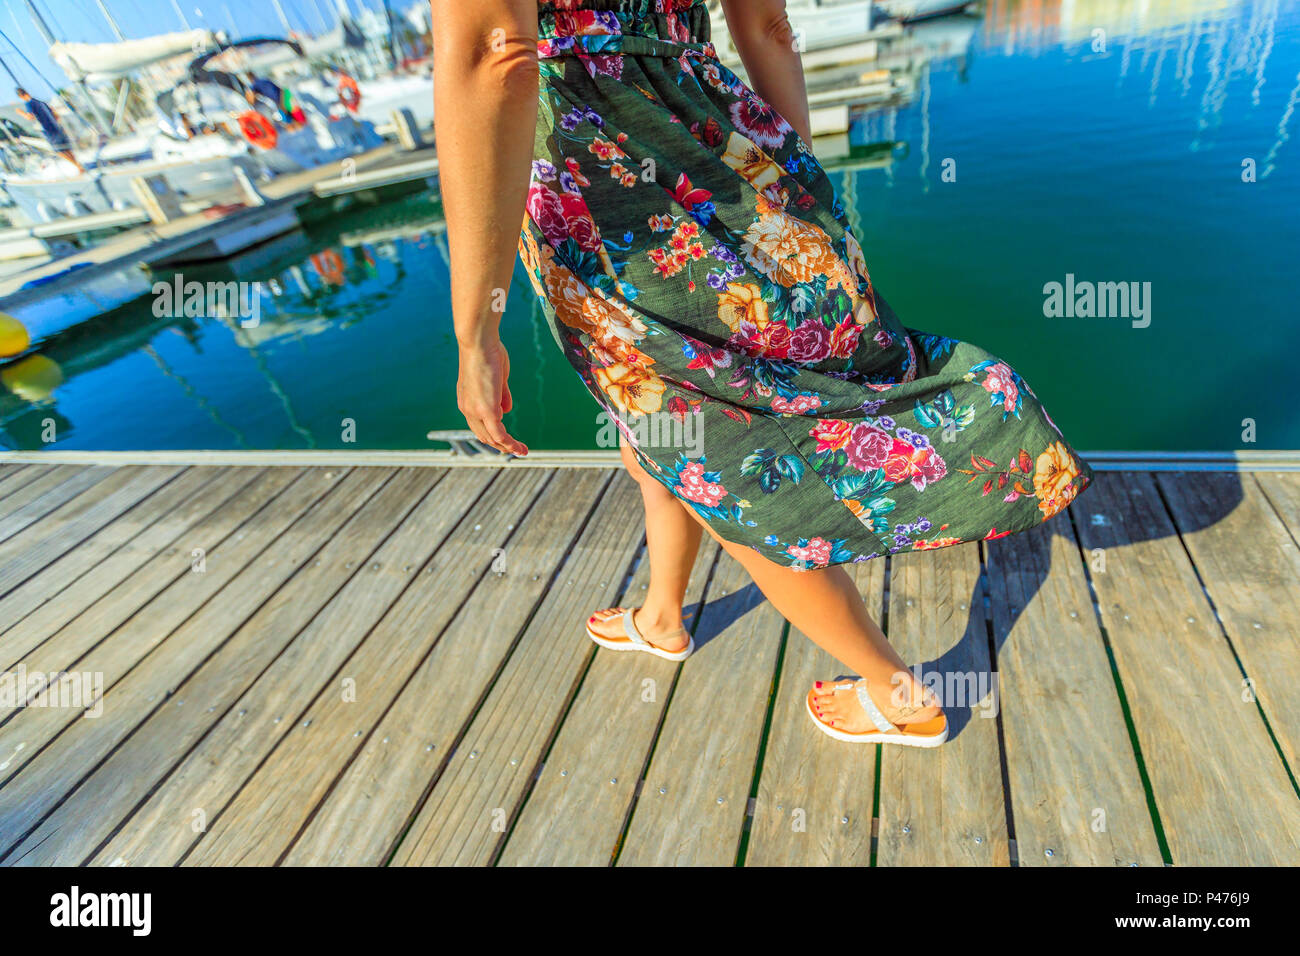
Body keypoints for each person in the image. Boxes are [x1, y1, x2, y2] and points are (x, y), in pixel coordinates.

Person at [433, 0, 1094, 747]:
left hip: (611, 196)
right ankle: (662, 615)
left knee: (724, 455)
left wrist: (476, 330)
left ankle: (899, 693)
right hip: (738, 150)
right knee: (665, 420)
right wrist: (795, 190)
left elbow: (496, 56)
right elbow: (769, 29)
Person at [14, 87, 84, 174]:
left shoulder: (29, 103)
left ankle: (78, 166)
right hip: (57, 127)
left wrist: (20, 112)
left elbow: (30, 117)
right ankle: (79, 166)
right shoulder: (41, 102)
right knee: (66, 149)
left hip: (48, 130)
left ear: (21, 96)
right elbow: (55, 115)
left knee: (59, 151)